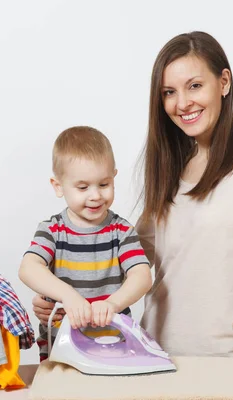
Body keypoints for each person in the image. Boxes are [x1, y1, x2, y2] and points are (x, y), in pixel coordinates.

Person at [32, 32, 233, 394]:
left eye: (195, 85)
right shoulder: (170, 163)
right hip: (148, 355)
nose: (182, 103)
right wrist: (62, 294)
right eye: (169, 92)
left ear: (223, 82)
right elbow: (130, 254)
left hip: (229, 361)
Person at [19, 126, 152, 362]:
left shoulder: (122, 232)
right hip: (61, 345)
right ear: (58, 186)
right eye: (82, 187)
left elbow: (142, 276)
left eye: (104, 184)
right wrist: (68, 296)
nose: (95, 195)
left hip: (113, 344)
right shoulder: (52, 230)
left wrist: (113, 303)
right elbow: (28, 268)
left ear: (114, 177)